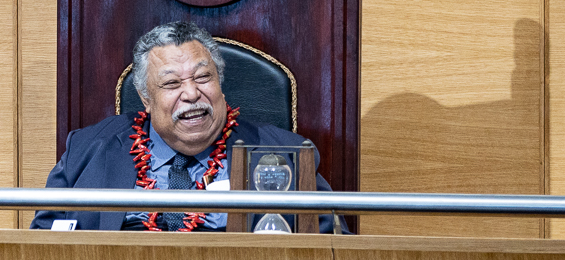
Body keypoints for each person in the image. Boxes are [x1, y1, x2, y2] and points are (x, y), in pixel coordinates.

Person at [31, 21, 350, 233]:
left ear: (220, 83)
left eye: (203, 77)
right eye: (171, 83)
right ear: (145, 97)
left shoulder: (284, 154)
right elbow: (41, 246)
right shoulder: (87, 150)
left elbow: (334, 244)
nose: (192, 94)